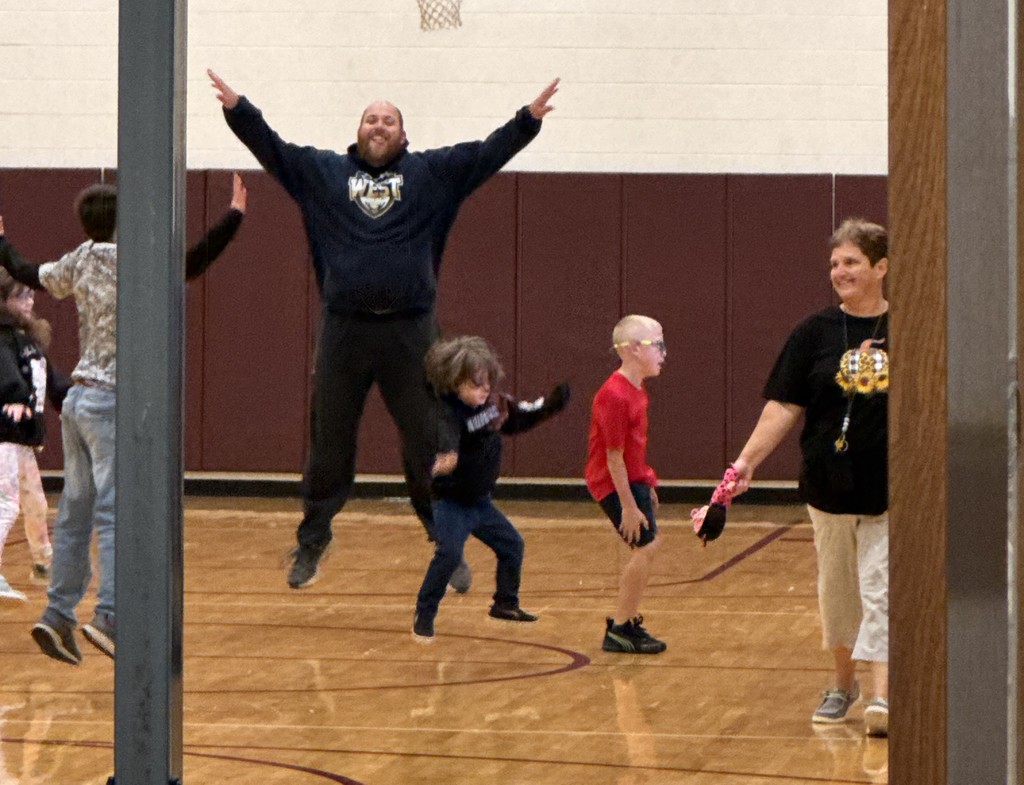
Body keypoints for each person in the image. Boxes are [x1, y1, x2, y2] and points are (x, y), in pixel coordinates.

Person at [207, 69, 559, 593]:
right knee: (329, 444)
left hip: (412, 334)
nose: (379, 126)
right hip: (344, 332)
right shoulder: (324, 173)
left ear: (402, 133)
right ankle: (312, 540)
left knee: (430, 442)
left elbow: (485, 155)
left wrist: (525, 122)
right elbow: (273, 149)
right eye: (371, 119)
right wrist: (239, 110)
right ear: (358, 130)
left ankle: (444, 540)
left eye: (388, 120)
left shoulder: (431, 174)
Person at [0, 174, 247, 664]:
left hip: (77, 403)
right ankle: (109, 614)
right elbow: (194, 262)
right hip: (113, 402)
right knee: (114, 513)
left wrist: (1, 243)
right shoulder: (140, 260)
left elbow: (29, 273)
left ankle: (58, 614)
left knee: (74, 515)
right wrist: (234, 214)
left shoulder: (83, 257)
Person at [728, 218, 889, 737]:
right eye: (834, 264)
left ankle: (883, 697)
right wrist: (746, 461)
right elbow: (782, 406)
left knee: (880, 588)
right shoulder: (813, 332)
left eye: (851, 262)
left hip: (890, 490)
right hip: (827, 487)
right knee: (839, 594)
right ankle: (845, 685)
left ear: (880, 267)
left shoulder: (911, 326)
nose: (839, 272)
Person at [413, 335, 569, 640]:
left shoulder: (493, 404)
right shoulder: (446, 414)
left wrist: (550, 407)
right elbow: (444, 443)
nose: (484, 390)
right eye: (475, 385)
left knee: (512, 546)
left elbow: (517, 420)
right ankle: (425, 611)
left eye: (487, 383)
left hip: (480, 503)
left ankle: (505, 603)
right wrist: (444, 459)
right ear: (454, 382)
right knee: (449, 553)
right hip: (452, 503)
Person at [585, 315, 668, 655]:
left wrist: (646, 481)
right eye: (658, 345)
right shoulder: (614, 395)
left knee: (648, 546)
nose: (664, 352)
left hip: (632, 479)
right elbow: (613, 457)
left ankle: (627, 621)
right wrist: (629, 507)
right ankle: (620, 627)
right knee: (645, 547)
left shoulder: (636, 390)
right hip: (612, 482)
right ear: (635, 349)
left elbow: (634, 449)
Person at [0, 271, 69, 601]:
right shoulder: (3, 337)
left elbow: (52, 381)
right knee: (6, 504)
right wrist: (13, 394)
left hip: (21, 438)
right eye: (21, 296)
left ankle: (43, 562)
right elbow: (7, 376)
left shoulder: (29, 341)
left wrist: (72, 399)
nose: (29, 301)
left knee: (35, 503)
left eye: (31, 295)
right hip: (4, 433)